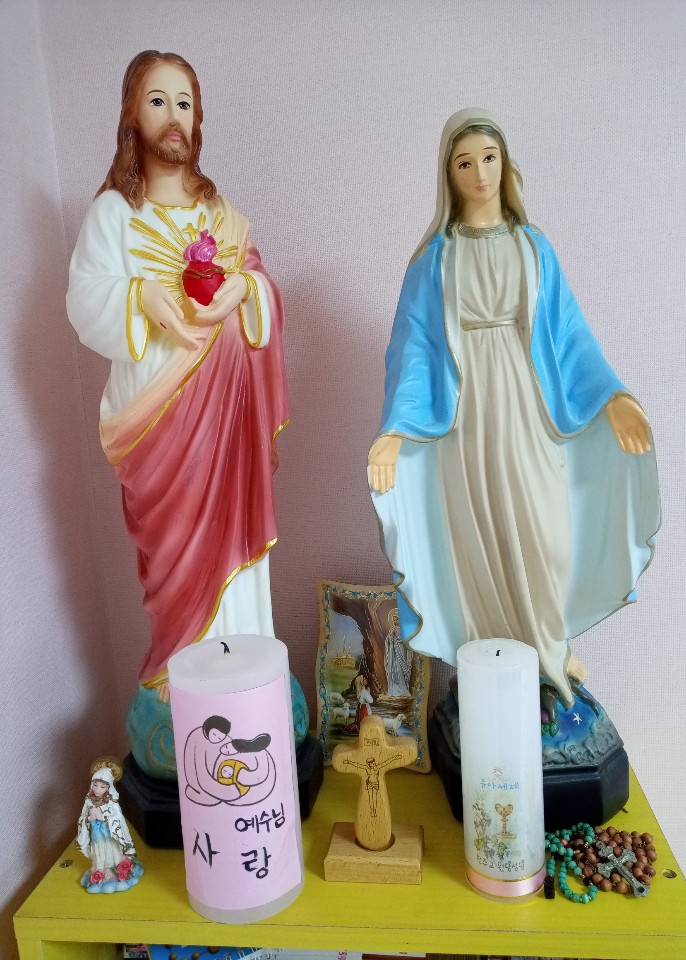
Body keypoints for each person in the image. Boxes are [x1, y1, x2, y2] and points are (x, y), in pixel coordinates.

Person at [368, 109, 660, 709]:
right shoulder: (436, 260)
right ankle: (496, 662)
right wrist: (396, 430)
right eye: (464, 162)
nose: (479, 173)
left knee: (547, 529)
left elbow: (570, 335)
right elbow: (414, 350)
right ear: (448, 174)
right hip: (467, 415)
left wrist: (612, 397)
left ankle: (550, 641)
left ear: (505, 165)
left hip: (527, 403)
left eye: (489, 158)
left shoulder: (532, 247)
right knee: (481, 533)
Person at [67, 52, 289, 771]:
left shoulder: (223, 217)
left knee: (234, 554)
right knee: (172, 563)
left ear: (198, 120)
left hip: (228, 426)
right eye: (157, 101)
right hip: (157, 430)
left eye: (184, 103)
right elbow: (85, 300)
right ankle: (177, 681)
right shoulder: (113, 215)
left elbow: (260, 287)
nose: (173, 117)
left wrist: (244, 292)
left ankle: (248, 676)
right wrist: (142, 297)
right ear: (132, 115)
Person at [76, 761, 144, 893]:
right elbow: (83, 817)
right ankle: (100, 871)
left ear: (108, 787)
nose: (97, 789)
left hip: (110, 835)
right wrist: (89, 819)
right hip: (96, 836)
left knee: (113, 852)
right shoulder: (89, 801)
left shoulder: (112, 802)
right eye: (95, 785)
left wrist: (103, 817)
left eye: (102, 787)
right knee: (99, 853)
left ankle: (114, 869)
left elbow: (118, 818)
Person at [384, 609, 411, 698]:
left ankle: (402, 689)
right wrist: (391, 639)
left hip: (401, 651)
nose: (395, 621)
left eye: (396, 619)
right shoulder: (393, 629)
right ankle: (394, 690)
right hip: (394, 654)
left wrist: (400, 640)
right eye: (394, 620)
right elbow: (388, 640)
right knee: (394, 670)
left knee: (400, 670)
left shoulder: (404, 629)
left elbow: (406, 641)